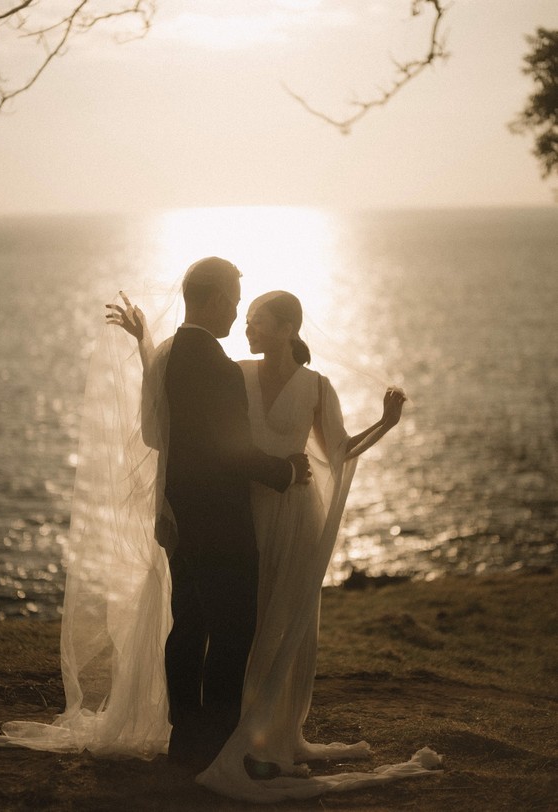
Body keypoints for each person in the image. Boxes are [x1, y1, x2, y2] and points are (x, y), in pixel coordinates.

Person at [110, 284, 442, 801]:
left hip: (292, 516)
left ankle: (262, 735)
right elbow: (181, 407)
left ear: (288, 329)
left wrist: (385, 423)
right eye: (244, 316)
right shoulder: (234, 372)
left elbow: (339, 449)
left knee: (276, 623)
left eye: (257, 320)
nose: (246, 325)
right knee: (238, 626)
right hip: (242, 509)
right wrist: (144, 342)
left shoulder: (317, 387)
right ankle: (230, 739)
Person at [108, 258, 311, 771]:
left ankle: (186, 740)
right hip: (222, 522)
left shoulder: (167, 355)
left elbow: (155, 434)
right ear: (217, 299)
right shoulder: (220, 369)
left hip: (180, 517)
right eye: (236, 303)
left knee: (188, 627)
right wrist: (286, 470)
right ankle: (222, 750)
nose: (237, 313)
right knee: (232, 632)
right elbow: (234, 452)